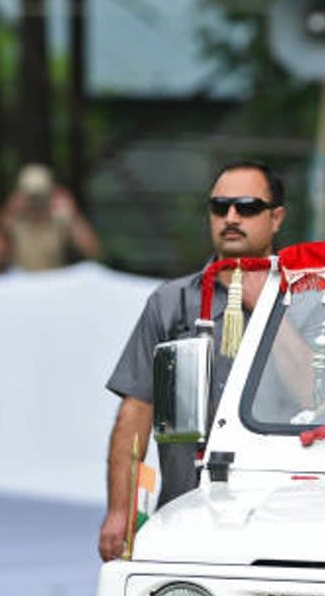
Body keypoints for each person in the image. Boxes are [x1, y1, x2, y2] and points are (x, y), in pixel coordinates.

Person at [98, 160, 287, 561]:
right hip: (183, 510)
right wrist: (120, 511)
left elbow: (313, 393)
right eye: (220, 207)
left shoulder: (306, 299)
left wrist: (264, 305)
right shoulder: (171, 302)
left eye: (248, 207)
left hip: (277, 516)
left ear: (276, 218)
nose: (232, 217)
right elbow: (136, 410)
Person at [0, 162, 102, 272]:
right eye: (32, 197)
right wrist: (7, 214)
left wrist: (72, 218)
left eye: (40, 196)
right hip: (22, 282)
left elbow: (93, 251)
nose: (36, 204)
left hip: (53, 281)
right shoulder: (14, 221)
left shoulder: (60, 219)